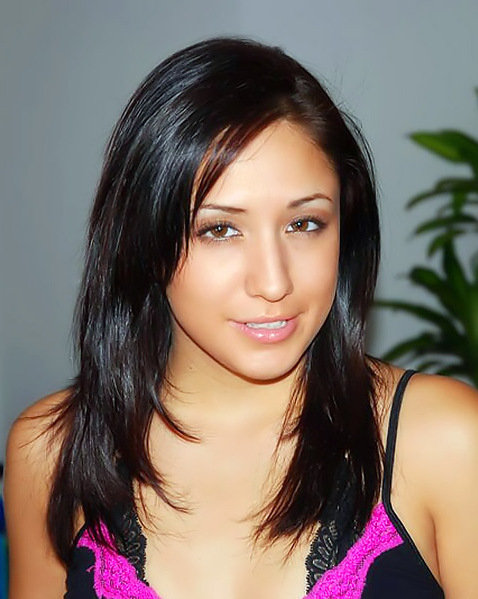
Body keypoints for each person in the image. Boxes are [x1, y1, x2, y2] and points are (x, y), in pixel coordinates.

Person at [4, 37, 478, 599]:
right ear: (144, 241)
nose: (274, 283)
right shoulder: (51, 450)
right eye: (221, 229)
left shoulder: (446, 440)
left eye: (304, 224)